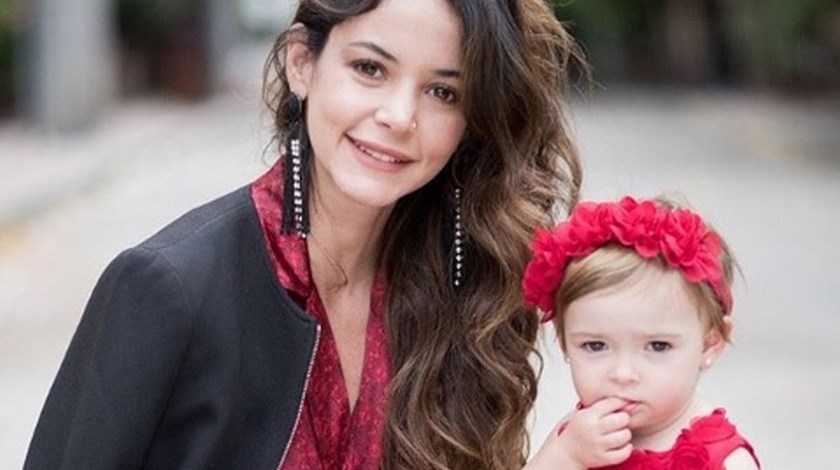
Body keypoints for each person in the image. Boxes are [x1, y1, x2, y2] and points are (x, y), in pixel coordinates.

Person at [23, 0, 586, 468]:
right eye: (370, 68)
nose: (398, 116)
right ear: (302, 64)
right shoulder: (167, 288)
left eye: (443, 92)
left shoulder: (465, 291)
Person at [521, 196, 761, 469]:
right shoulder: (577, 436)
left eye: (658, 346)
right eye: (595, 345)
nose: (623, 374)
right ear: (564, 342)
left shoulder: (724, 461)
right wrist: (565, 456)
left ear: (709, 343)